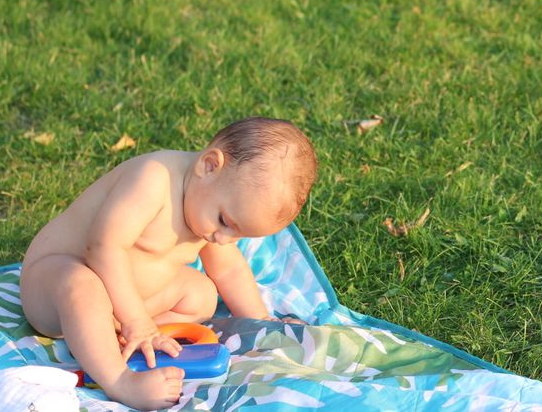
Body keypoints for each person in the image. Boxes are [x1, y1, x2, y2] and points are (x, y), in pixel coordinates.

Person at [19, 117, 318, 410]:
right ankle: (120, 380)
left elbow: (228, 270)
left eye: (239, 235)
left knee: (201, 294)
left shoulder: (209, 203)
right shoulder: (152, 180)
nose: (224, 239)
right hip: (54, 288)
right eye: (225, 222)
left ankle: (110, 338)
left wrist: (261, 321)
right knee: (81, 285)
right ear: (209, 166)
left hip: (120, 302)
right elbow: (103, 249)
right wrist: (137, 321)